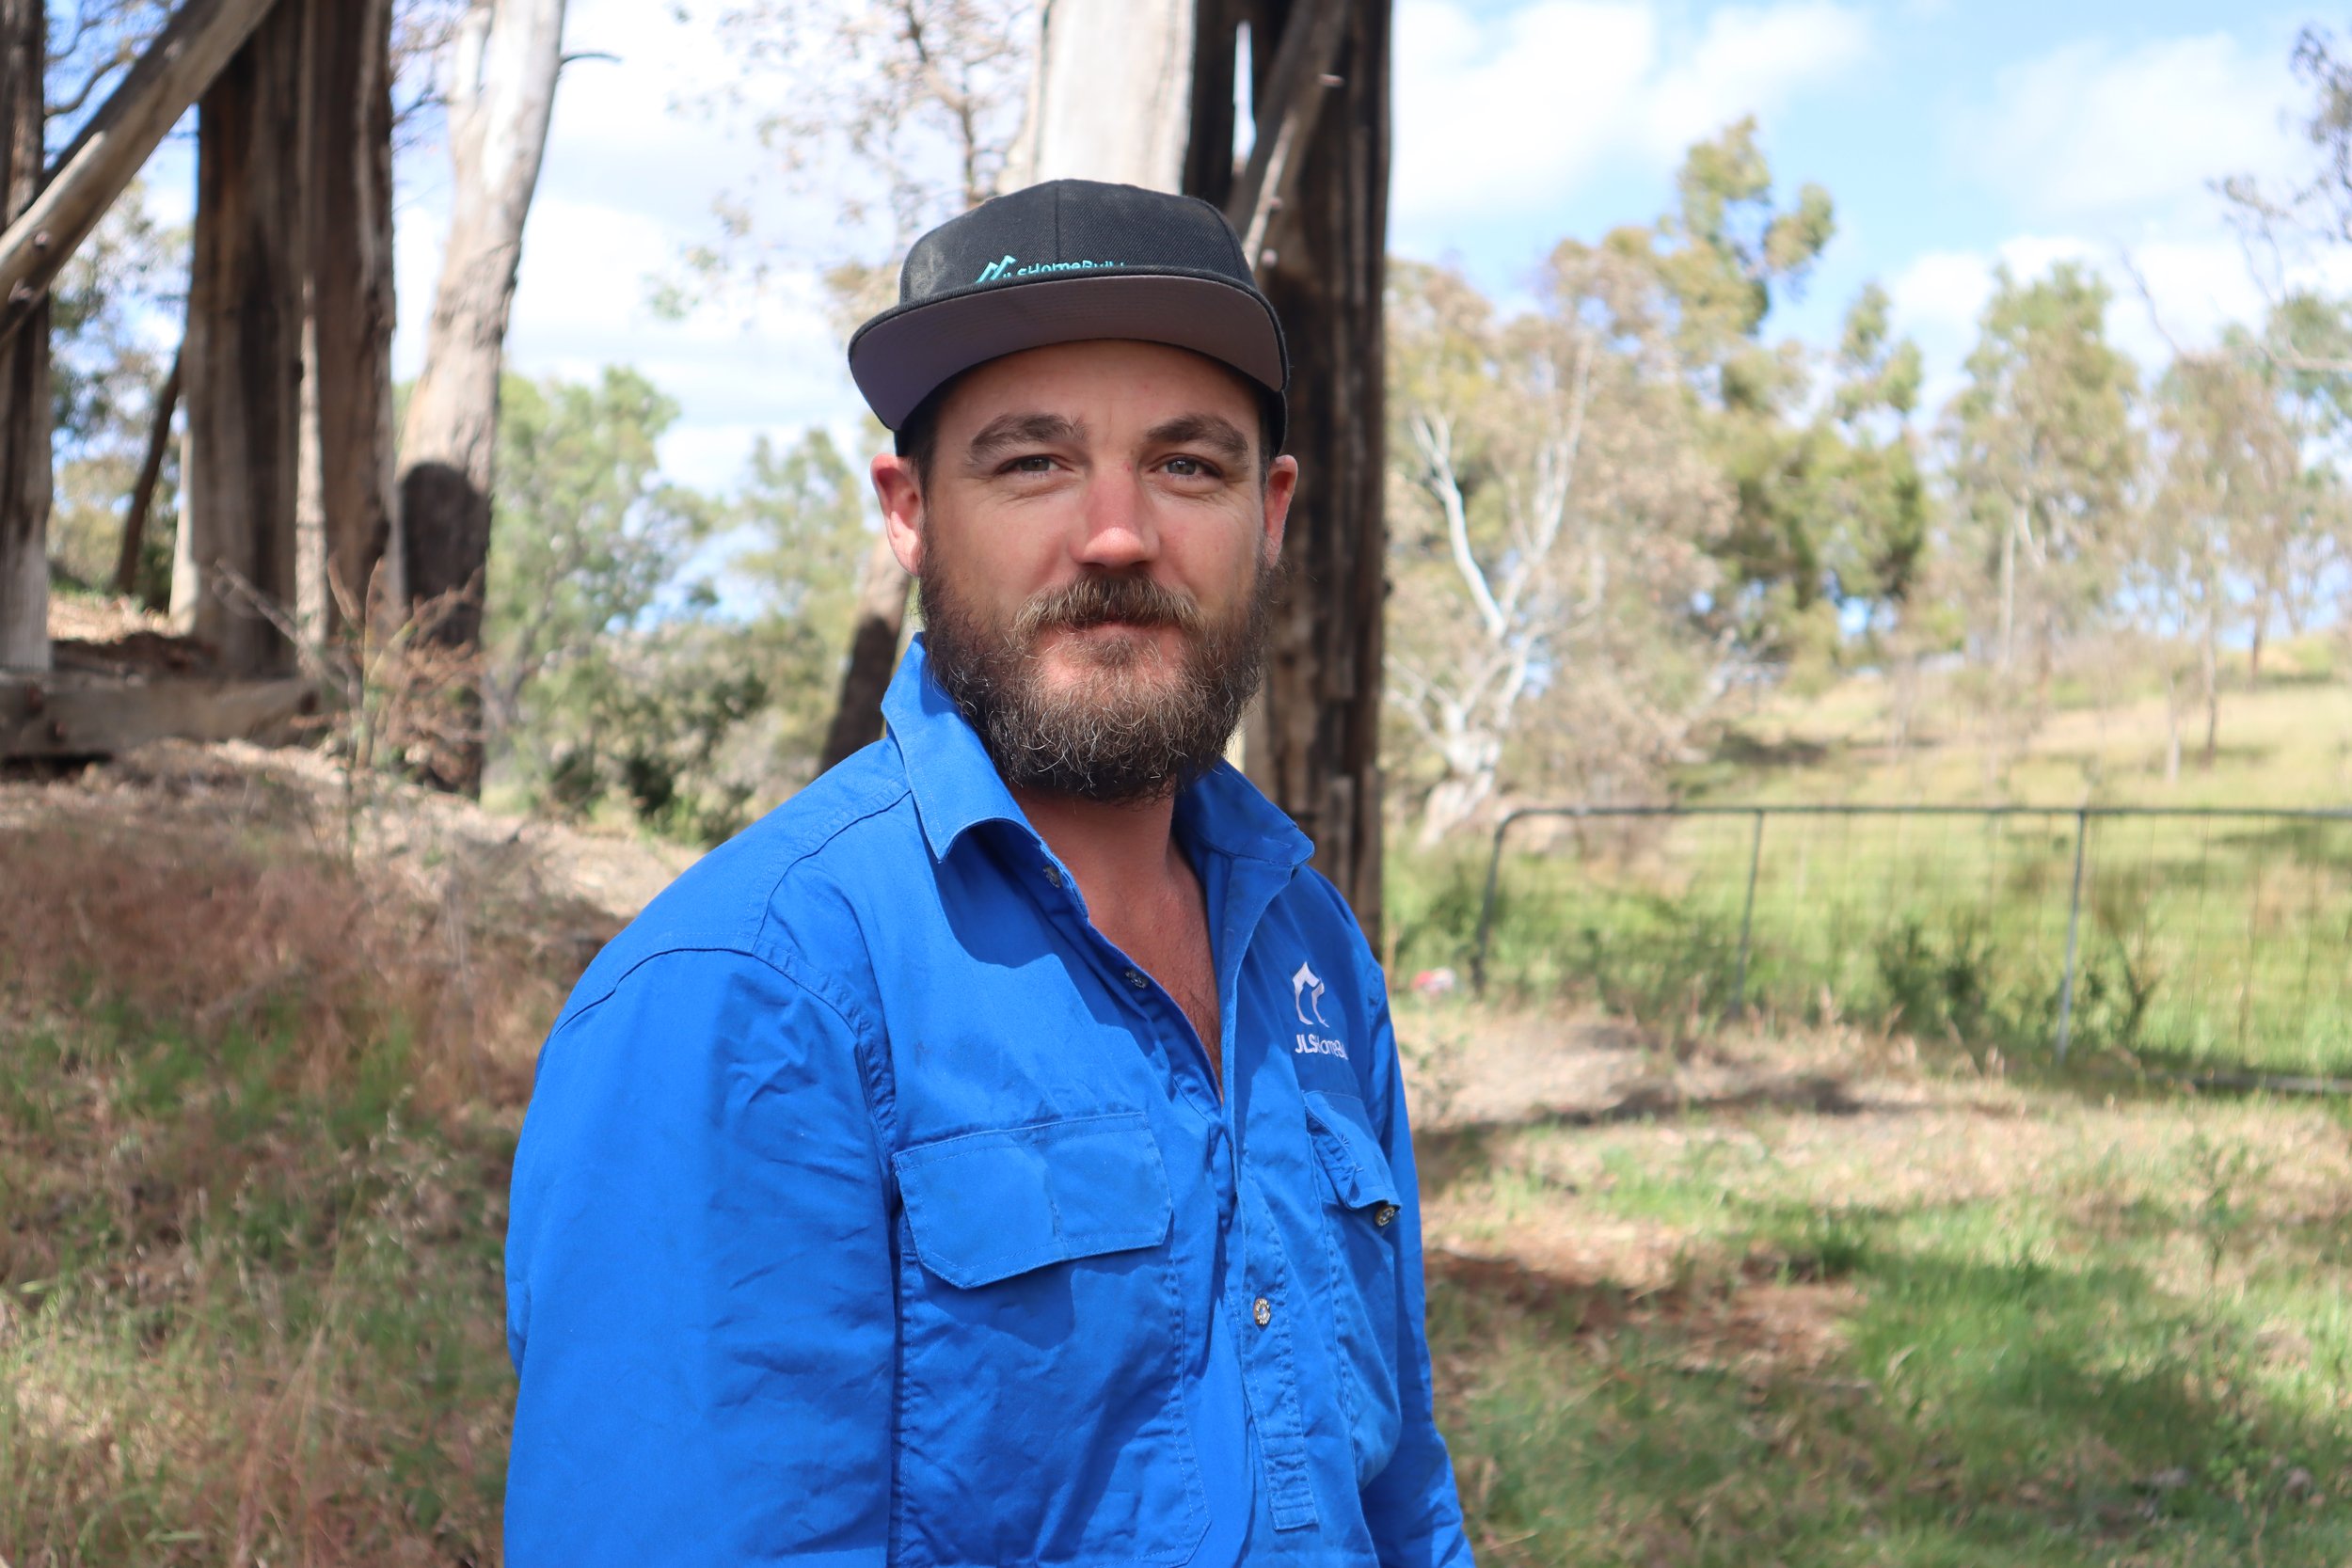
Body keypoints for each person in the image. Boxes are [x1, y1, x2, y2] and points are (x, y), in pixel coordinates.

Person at [502, 178, 1474, 1567]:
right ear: (908, 513)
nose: (1119, 533)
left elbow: (1398, 1488)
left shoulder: (1310, 950)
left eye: (1187, 465)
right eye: (1032, 463)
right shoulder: (748, 997)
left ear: (1269, 514)